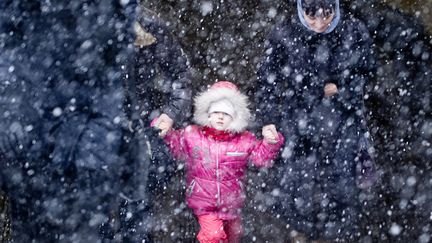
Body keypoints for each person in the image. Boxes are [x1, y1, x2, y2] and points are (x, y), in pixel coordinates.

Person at [255, 0, 377, 241]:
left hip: (343, 121)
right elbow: (266, 81)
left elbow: (369, 74)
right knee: (295, 183)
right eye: (312, 18)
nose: (320, 24)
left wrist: (343, 89)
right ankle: (300, 232)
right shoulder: (285, 33)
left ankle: (338, 235)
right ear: (301, 10)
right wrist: (268, 119)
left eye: (327, 16)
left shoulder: (353, 30)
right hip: (298, 119)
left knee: (343, 184)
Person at [153, 81, 284, 243]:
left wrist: (271, 143)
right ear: (207, 113)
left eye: (226, 113)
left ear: (235, 117)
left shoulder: (244, 140)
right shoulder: (193, 136)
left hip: (231, 203)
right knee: (213, 236)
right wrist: (164, 130)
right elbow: (176, 144)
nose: (220, 116)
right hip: (205, 203)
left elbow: (260, 158)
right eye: (216, 112)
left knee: (232, 236)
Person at [118, 6, 193, 242]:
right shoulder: (82, 23)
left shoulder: (150, 25)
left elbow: (181, 74)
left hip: (141, 121)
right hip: (94, 126)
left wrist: (170, 114)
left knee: (138, 200)